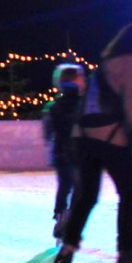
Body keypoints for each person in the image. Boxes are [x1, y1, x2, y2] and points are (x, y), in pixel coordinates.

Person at [53, 21, 132, 263]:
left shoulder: (104, 64)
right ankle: (126, 258)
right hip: (112, 137)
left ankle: (65, 254)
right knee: (129, 196)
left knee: (86, 197)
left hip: (85, 138)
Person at [41, 63, 86, 238]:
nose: (84, 80)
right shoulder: (83, 104)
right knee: (80, 189)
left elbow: (47, 133)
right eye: (81, 77)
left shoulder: (52, 106)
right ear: (75, 79)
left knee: (65, 186)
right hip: (79, 154)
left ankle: (61, 215)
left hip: (60, 153)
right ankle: (70, 220)